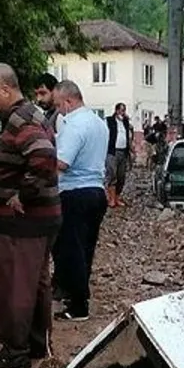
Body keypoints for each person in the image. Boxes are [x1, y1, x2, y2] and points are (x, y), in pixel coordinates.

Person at [0, 63, 61, 368]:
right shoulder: (29, 114)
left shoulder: (21, 118)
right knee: (34, 282)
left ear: (6, 89)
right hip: (36, 219)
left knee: (14, 284)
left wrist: (22, 194)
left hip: (19, 223)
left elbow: (43, 156)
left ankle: (15, 350)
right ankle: (36, 343)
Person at [50, 80, 108, 321]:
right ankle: (74, 294)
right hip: (97, 191)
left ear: (68, 101)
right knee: (85, 248)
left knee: (71, 249)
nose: (58, 111)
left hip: (74, 192)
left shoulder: (73, 125)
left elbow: (62, 163)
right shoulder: (98, 122)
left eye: (58, 105)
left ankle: (78, 304)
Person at [104, 102, 132, 207]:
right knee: (112, 175)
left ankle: (117, 198)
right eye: (121, 110)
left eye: (124, 110)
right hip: (113, 151)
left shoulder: (125, 122)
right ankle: (111, 199)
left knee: (121, 176)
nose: (122, 112)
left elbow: (129, 135)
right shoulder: (109, 120)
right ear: (116, 111)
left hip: (123, 152)